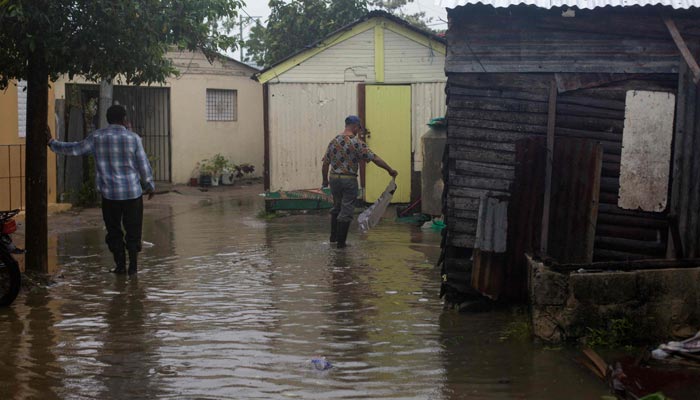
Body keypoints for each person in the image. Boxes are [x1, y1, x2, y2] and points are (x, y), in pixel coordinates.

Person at [47, 105, 155, 275]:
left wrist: (51, 143)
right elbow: (143, 164)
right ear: (124, 119)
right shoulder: (133, 138)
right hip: (132, 195)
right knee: (133, 231)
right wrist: (149, 184)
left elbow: (75, 148)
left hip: (110, 195)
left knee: (114, 232)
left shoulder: (97, 137)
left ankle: (120, 267)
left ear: (107, 119)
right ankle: (133, 269)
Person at [322, 115, 397, 248]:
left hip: (334, 178)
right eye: (359, 128)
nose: (359, 131)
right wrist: (389, 170)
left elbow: (325, 164)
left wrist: (324, 181)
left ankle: (333, 239)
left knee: (337, 207)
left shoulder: (333, 141)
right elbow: (375, 158)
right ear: (355, 126)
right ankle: (341, 244)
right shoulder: (356, 143)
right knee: (346, 209)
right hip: (348, 179)